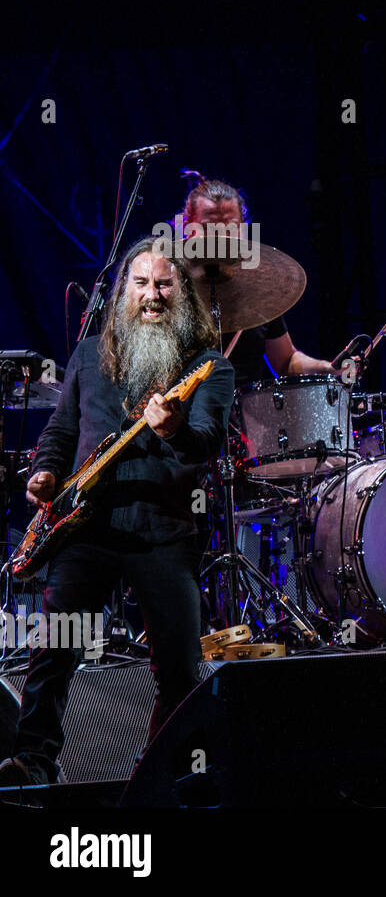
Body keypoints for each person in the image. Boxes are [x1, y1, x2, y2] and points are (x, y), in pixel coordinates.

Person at [0, 237, 234, 788]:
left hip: (163, 531)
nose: (151, 296)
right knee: (56, 648)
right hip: (86, 527)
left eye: (164, 285)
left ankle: (164, 770)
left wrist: (173, 428)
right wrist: (47, 473)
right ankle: (34, 760)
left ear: (183, 295)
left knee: (178, 665)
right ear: (121, 290)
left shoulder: (208, 367)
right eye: (141, 283)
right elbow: (60, 432)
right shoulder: (87, 355)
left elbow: (208, 441)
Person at [182, 178, 337, 385]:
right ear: (188, 229)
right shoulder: (168, 287)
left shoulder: (258, 288)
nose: (221, 238)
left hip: (246, 414)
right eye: (210, 228)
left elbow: (285, 362)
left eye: (230, 228)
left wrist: (329, 367)